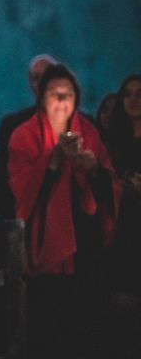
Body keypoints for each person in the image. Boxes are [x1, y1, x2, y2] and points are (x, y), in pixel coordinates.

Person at [8, 64, 120, 358]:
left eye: (67, 95)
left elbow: (109, 182)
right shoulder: (24, 135)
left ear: (76, 98)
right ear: (41, 98)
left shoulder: (89, 132)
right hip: (46, 245)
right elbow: (20, 192)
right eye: (53, 94)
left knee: (87, 327)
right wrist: (53, 161)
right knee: (50, 328)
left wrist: (93, 169)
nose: (61, 101)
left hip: (86, 244)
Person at [0, 54, 58, 221]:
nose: (43, 82)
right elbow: (4, 183)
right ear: (31, 84)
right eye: (37, 78)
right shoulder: (13, 126)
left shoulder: (82, 124)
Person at [108, 74, 141, 357]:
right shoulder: (114, 143)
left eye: (139, 93)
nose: (134, 99)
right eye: (128, 93)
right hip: (121, 230)